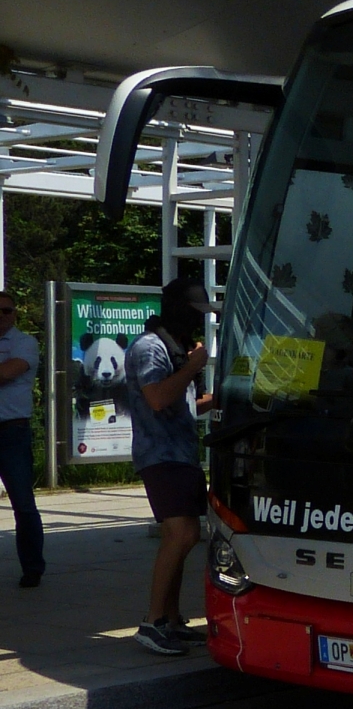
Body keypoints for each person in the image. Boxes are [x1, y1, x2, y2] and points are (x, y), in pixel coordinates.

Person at [125, 279, 216, 655]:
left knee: (190, 534)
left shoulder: (175, 347)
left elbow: (187, 405)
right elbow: (159, 398)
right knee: (178, 534)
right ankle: (153, 622)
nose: (198, 323)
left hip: (182, 454)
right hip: (160, 455)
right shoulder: (150, 348)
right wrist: (194, 365)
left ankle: (174, 620)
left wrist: (226, 392)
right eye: (195, 315)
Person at [0, 292, 45, 587]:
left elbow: (6, 372)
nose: (1, 315)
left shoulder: (25, 343)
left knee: (23, 504)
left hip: (11, 432)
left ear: (15, 314)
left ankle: (32, 568)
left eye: (6, 310)